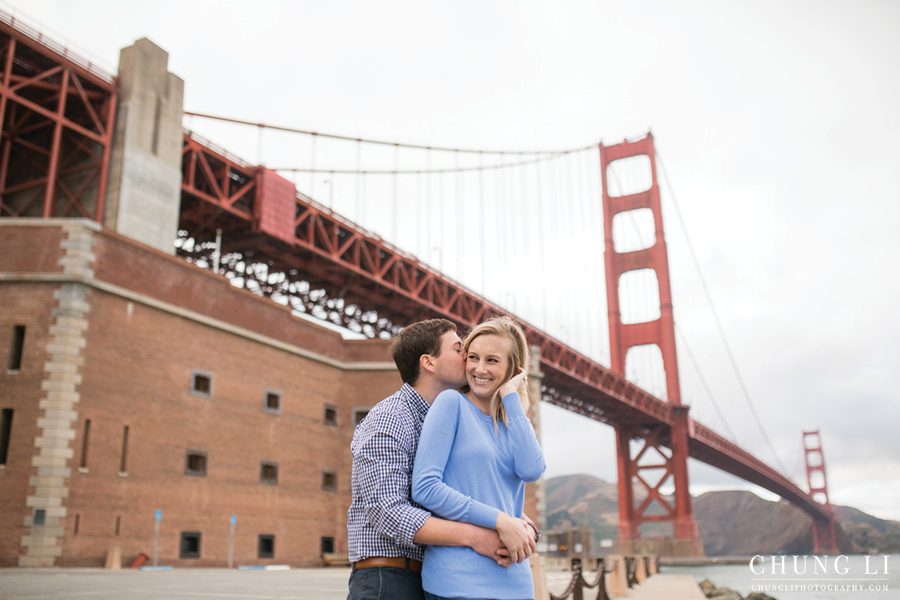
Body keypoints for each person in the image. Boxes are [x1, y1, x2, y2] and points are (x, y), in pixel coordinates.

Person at [347, 318, 515, 600]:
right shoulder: (390, 419)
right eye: (459, 349)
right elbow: (388, 512)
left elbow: (466, 491)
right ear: (429, 362)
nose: (468, 356)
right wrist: (476, 536)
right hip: (387, 579)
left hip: (430, 577)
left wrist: (514, 521)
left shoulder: (448, 421)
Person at [412, 316, 546, 600]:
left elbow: (532, 470)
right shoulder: (451, 404)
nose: (480, 369)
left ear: (513, 369)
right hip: (457, 582)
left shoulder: (514, 422)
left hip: (517, 583)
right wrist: (501, 520)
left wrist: (510, 396)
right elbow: (425, 487)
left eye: (492, 360)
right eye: (473, 357)